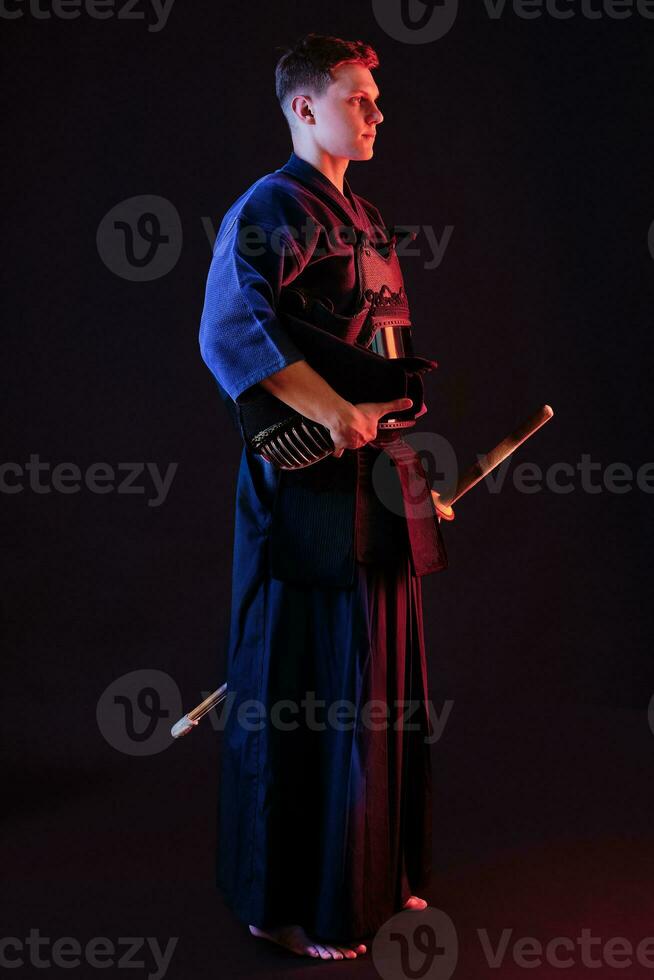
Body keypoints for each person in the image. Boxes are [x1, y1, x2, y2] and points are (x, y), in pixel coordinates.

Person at [198, 33, 447, 961]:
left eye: (376, 99)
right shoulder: (269, 208)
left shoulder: (369, 216)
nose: (376, 113)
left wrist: (413, 476)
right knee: (305, 690)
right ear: (305, 108)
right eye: (357, 98)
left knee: (380, 684)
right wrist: (335, 412)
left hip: (377, 483)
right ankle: (287, 901)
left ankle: (374, 878)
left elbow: (388, 359)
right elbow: (233, 327)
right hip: (303, 487)